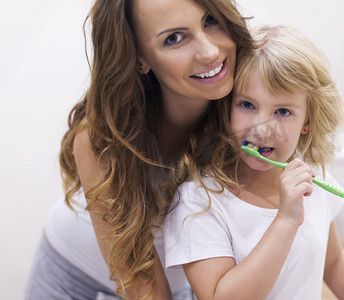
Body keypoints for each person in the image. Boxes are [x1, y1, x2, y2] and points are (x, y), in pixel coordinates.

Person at [25, 0, 253, 299]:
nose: (210, 52)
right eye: (174, 38)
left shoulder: (257, 109)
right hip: (71, 280)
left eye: (211, 20)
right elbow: (142, 285)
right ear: (139, 57)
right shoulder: (101, 138)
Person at [164, 25, 344, 299]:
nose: (262, 129)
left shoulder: (311, 180)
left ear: (307, 121)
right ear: (226, 107)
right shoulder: (199, 202)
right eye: (247, 105)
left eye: (283, 111)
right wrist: (285, 221)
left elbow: (334, 265)